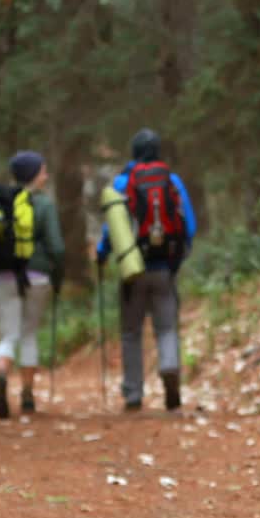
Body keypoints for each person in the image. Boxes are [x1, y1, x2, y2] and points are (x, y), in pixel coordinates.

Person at [96, 129, 197, 412]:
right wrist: (177, 255)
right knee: (166, 328)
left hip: (132, 270)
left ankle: (133, 393)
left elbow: (111, 229)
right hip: (164, 267)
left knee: (131, 333)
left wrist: (102, 254)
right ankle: (169, 368)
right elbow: (189, 226)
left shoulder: (121, 183)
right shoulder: (172, 181)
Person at [0, 150, 65, 419]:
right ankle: (27, 396)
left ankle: (1, 372)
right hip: (37, 276)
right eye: (43, 170)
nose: (46, 175)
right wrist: (58, 273)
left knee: (9, 334)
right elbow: (56, 246)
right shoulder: (44, 205)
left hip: (5, 277)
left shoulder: (1, 202)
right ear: (34, 174)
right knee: (29, 334)